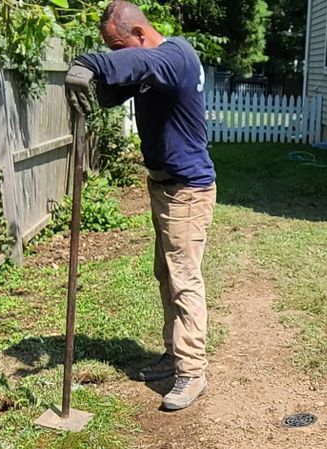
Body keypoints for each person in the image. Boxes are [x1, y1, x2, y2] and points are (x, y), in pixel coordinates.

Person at [65, 2, 216, 411]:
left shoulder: (174, 56)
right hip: (164, 187)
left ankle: (192, 371)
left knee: (184, 280)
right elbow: (123, 83)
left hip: (186, 192)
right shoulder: (154, 69)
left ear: (138, 34)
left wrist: (88, 64)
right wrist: (104, 86)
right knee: (166, 275)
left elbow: (137, 64)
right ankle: (174, 355)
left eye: (117, 46)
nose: (115, 54)